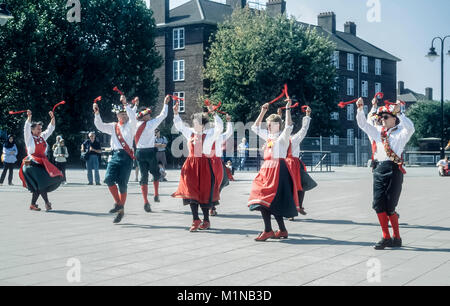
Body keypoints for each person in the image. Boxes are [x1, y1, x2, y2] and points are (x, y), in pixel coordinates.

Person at [356, 98, 415, 250]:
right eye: (381, 117)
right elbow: (363, 124)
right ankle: (386, 236)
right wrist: (360, 109)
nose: (382, 119)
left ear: (394, 119)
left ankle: (397, 236)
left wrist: (400, 113)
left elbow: (410, 128)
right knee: (377, 204)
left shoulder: (401, 133)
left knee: (390, 207)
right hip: (379, 170)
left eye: (386, 117)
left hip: (394, 170)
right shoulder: (377, 132)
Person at [248, 99, 299, 241]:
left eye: (271, 124)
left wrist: (288, 109)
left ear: (278, 125)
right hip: (267, 169)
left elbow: (289, 126)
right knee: (265, 199)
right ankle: (281, 230)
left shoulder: (282, 137)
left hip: (277, 170)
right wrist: (262, 111)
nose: (268, 127)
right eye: (268, 124)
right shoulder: (269, 136)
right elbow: (254, 128)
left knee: (267, 200)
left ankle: (269, 230)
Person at [172, 102, 224, 232]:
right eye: (193, 123)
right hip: (190, 165)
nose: (194, 125)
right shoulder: (190, 133)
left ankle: (206, 220)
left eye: (196, 122)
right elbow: (179, 126)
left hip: (205, 165)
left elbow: (220, 127)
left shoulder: (211, 133)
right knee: (191, 193)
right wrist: (176, 113)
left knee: (204, 193)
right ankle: (195, 219)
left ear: (203, 124)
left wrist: (214, 112)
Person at [93, 95, 136, 223]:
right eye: (120, 114)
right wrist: (96, 113)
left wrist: (125, 104)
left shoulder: (131, 125)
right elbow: (100, 126)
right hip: (115, 155)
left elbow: (133, 117)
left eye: (125, 114)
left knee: (123, 184)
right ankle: (119, 204)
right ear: (117, 116)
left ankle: (120, 209)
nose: (123, 116)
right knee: (108, 179)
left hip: (127, 157)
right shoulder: (113, 126)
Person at [19, 110, 64, 211]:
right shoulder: (29, 138)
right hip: (31, 164)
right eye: (38, 129)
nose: (40, 130)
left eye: (40, 129)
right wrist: (29, 117)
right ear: (33, 130)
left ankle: (33, 204)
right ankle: (47, 203)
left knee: (39, 186)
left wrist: (53, 118)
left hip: (40, 164)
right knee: (42, 184)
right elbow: (26, 127)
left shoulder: (42, 137)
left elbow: (50, 129)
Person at [134, 96, 169, 212]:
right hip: (149, 152)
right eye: (149, 114)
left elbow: (131, 114)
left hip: (139, 152)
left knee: (143, 176)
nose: (150, 116)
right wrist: (165, 103)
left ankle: (145, 201)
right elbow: (163, 115)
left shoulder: (134, 123)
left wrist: (134, 104)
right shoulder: (150, 124)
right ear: (145, 116)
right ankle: (156, 194)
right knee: (156, 174)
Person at [285, 106, 317, 221]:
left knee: (292, 187)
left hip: (287, 164)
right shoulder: (294, 139)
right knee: (300, 186)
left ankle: (293, 210)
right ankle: (296, 208)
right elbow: (304, 129)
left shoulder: (282, 138)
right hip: (293, 164)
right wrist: (307, 116)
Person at [210, 113, 234, 216]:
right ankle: (211, 206)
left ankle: (212, 205)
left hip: (218, 162)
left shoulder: (219, 136)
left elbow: (229, 132)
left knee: (221, 182)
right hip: (209, 162)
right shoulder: (207, 136)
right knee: (213, 185)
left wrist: (228, 121)